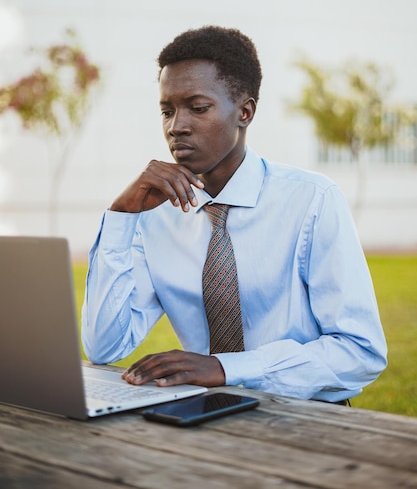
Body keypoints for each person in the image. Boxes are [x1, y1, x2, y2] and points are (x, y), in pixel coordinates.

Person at [81, 25, 387, 403]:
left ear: (245, 111)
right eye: (167, 110)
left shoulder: (312, 200)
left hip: (309, 416)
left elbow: (361, 351)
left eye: (198, 107)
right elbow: (104, 347)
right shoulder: (155, 216)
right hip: (206, 418)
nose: (177, 126)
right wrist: (120, 217)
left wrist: (228, 368)